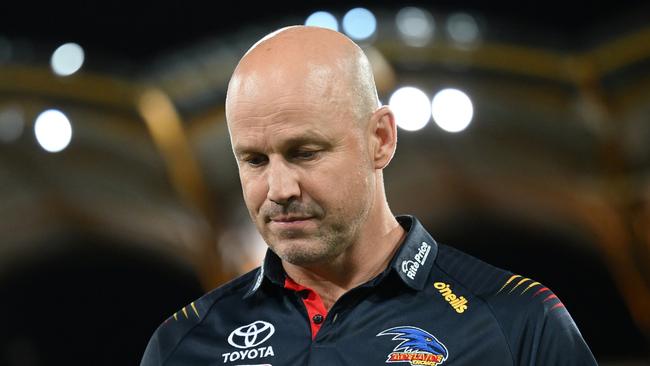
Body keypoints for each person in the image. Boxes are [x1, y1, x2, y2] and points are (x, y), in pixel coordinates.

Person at [140, 25, 597, 365]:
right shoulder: (183, 344)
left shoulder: (517, 322)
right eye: (255, 160)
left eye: (305, 152)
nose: (279, 190)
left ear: (380, 138)